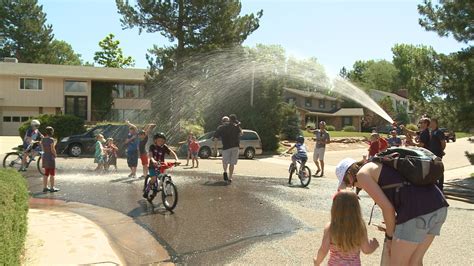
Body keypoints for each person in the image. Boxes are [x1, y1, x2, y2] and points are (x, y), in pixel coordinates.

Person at [335, 157, 448, 265]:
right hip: (438, 204)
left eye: (346, 181)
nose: (350, 185)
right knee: (414, 262)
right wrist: (393, 224)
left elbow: (388, 208)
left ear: (349, 173)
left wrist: (390, 238)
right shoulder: (377, 164)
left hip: (417, 211)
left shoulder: (362, 175)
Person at [313, 191, 379, 265]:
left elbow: (323, 249)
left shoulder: (331, 228)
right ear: (356, 209)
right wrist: (374, 245)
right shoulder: (360, 227)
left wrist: (317, 261)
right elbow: (366, 249)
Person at [143, 132, 179, 201]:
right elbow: (150, 155)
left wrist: (176, 159)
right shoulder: (152, 146)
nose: (161, 142)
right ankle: (147, 190)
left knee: (164, 176)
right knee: (153, 179)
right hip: (153, 166)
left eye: (162, 141)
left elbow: (172, 153)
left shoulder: (164, 147)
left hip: (161, 166)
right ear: (155, 140)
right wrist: (153, 160)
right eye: (159, 140)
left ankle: (164, 187)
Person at [213, 115, 242, 183]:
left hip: (226, 147)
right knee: (232, 163)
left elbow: (216, 138)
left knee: (225, 162)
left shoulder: (221, 128)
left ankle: (225, 171)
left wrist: (215, 148)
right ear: (229, 121)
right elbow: (241, 133)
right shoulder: (235, 126)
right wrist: (238, 126)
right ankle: (230, 177)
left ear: (222, 122)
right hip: (235, 147)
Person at [429, 118, 446, 191]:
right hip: (432, 153)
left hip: (437, 153)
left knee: (439, 169)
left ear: (436, 123)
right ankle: (435, 185)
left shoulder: (439, 132)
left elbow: (443, 143)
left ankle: (440, 186)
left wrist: (441, 150)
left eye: (432, 122)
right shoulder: (431, 132)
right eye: (430, 123)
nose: (431, 124)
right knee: (434, 169)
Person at [40, 126, 59, 193]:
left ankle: (45, 187)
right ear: (51, 132)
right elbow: (52, 149)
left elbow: (43, 149)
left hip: (45, 156)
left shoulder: (42, 140)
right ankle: (52, 187)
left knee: (46, 173)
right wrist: (55, 154)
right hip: (50, 157)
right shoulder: (51, 140)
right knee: (52, 173)